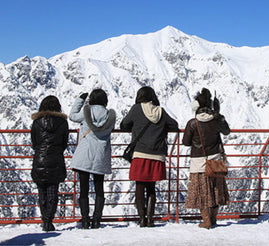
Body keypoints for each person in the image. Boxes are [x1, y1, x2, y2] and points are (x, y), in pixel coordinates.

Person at [120, 86, 179, 227]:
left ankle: (142, 219)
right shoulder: (161, 111)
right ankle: (151, 219)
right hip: (157, 155)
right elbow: (174, 125)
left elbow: (123, 125)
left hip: (140, 153)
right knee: (152, 187)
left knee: (139, 186)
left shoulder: (136, 109)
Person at [183, 88, 230, 229]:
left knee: (202, 192)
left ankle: (206, 221)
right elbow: (227, 131)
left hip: (198, 163)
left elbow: (185, 142)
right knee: (215, 190)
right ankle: (213, 219)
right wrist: (219, 114)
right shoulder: (216, 120)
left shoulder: (193, 123)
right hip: (215, 161)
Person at [69, 89, 116, 229]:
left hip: (84, 155)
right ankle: (97, 220)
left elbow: (72, 116)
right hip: (101, 155)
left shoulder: (85, 113)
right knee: (99, 188)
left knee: (83, 189)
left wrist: (80, 100)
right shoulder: (110, 116)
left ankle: (85, 219)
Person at [31, 95, 69, 232]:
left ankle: (44, 220)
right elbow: (64, 142)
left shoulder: (36, 122)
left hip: (40, 159)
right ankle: (49, 220)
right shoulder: (63, 122)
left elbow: (34, 142)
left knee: (42, 191)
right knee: (53, 191)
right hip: (56, 159)